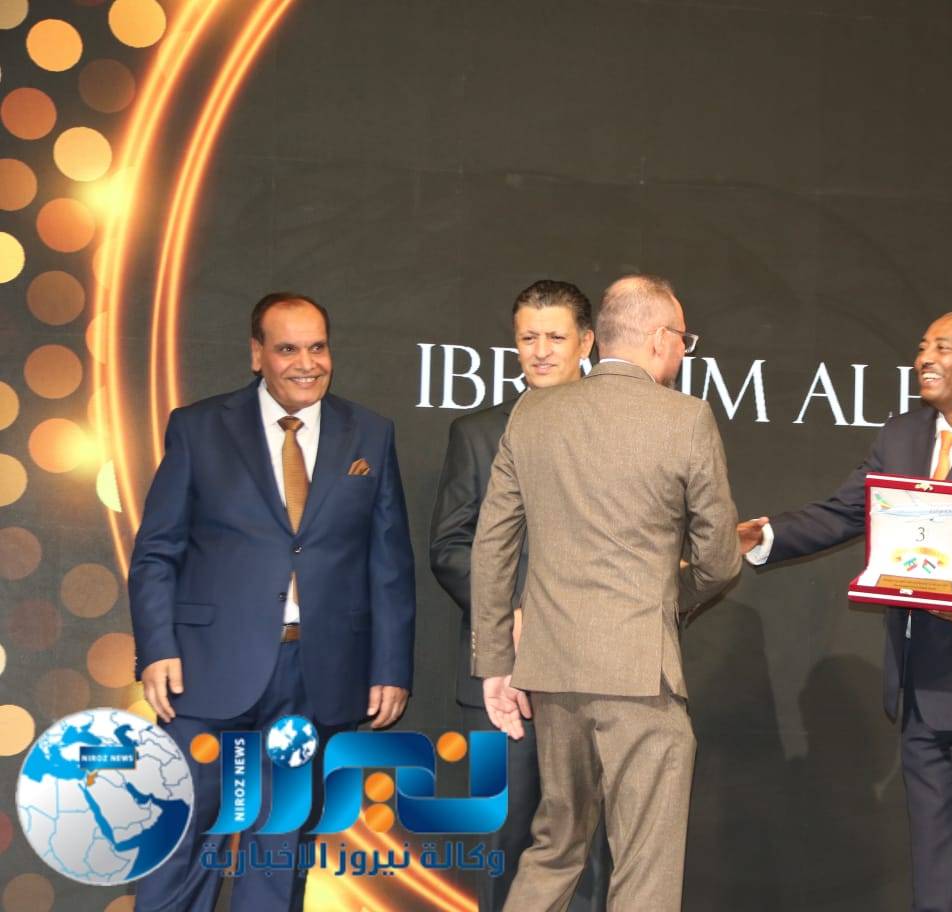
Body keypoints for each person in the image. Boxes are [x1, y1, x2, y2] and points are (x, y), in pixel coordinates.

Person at [739, 310, 952, 912]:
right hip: (920, 694)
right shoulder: (900, 436)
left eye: (943, 348)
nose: (925, 358)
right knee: (934, 874)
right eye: (923, 347)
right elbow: (847, 511)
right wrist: (766, 537)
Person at [129, 292, 416, 912]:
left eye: (318, 347)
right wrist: (156, 649)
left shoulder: (370, 433)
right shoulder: (198, 427)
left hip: (317, 674)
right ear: (257, 354)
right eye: (288, 349)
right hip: (205, 671)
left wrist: (390, 667)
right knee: (182, 845)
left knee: (278, 856)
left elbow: (389, 563)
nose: (306, 363)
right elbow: (156, 552)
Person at [471, 275, 741, 911]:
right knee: (645, 864)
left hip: (553, 673)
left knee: (555, 845)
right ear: (660, 338)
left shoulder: (533, 413)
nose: (683, 352)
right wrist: (670, 599)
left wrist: (496, 663)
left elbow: (492, 546)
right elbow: (720, 558)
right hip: (640, 677)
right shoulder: (685, 418)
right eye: (684, 339)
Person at [430, 279, 611, 911]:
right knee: (505, 841)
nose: (540, 351)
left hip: (594, 671)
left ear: (586, 342)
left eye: (555, 337)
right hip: (502, 675)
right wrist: (506, 612)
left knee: (589, 841)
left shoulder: (617, 433)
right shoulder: (479, 434)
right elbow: (449, 545)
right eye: (528, 338)